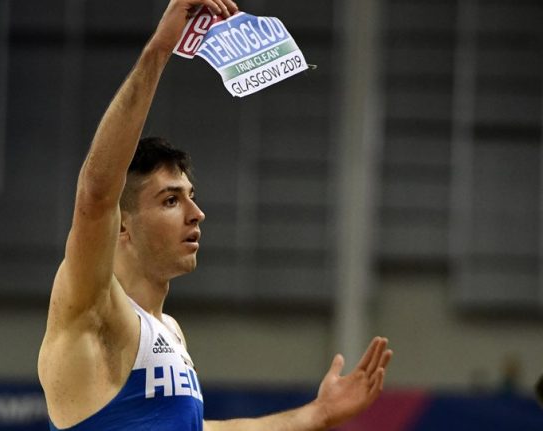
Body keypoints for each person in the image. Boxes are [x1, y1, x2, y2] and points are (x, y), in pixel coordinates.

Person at [37, 1, 393, 430]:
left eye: (191, 197)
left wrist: (317, 413)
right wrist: (159, 50)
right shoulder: (91, 307)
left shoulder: (168, 331)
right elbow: (95, 195)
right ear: (123, 224)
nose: (197, 214)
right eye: (171, 201)